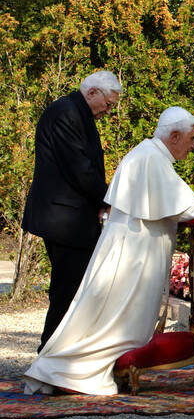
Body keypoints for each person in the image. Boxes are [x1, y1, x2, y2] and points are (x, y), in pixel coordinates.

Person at [23, 107, 194, 395]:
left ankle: (61, 370)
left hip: (130, 250)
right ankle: (65, 371)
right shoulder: (150, 159)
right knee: (112, 321)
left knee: (105, 317)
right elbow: (182, 205)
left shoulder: (150, 156)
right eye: (192, 139)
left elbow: (172, 204)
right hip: (131, 257)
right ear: (174, 135)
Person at [22, 70, 123, 353]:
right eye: (108, 103)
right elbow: (79, 170)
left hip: (69, 218)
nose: (109, 110)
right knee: (67, 293)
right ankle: (50, 358)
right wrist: (111, 199)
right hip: (63, 221)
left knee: (73, 291)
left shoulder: (76, 112)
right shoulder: (66, 113)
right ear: (92, 92)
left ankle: (60, 358)